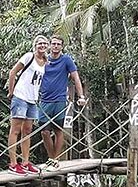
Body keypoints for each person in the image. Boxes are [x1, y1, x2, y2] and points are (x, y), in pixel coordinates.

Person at [38, 35, 86, 170]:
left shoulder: (66, 60)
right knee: (44, 132)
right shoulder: (44, 60)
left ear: (62, 46)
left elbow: (76, 78)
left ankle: (54, 160)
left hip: (59, 99)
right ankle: (51, 158)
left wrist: (81, 95)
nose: (55, 46)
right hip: (44, 100)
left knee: (58, 130)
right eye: (53, 44)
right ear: (49, 45)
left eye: (58, 44)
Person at [5, 35, 50, 175]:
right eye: (39, 43)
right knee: (15, 130)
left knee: (28, 130)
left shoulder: (45, 62)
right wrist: (11, 91)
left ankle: (25, 162)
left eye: (44, 43)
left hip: (32, 99)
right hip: (21, 96)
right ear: (35, 45)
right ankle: (13, 163)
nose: (42, 46)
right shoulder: (28, 56)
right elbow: (13, 72)